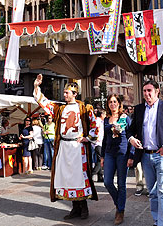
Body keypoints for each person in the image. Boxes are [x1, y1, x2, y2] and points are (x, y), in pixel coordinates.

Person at [34, 74, 98, 220]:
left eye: (67, 93)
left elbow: (94, 124)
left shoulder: (84, 108)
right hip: (63, 146)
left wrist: (87, 138)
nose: (64, 95)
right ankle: (74, 208)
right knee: (67, 178)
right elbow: (44, 103)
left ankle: (83, 207)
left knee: (79, 177)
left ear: (75, 94)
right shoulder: (59, 108)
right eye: (64, 92)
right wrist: (37, 87)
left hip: (78, 147)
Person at [127, 80, 163, 226]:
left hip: (162, 156)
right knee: (152, 192)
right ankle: (157, 221)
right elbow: (130, 129)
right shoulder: (139, 109)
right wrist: (132, 138)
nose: (147, 94)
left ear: (157, 91)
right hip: (146, 156)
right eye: (144, 91)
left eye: (149, 90)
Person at [101, 94, 132, 225]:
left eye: (115, 102)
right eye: (110, 102)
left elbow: (131, 136)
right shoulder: (106, 119)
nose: (112, 104)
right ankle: (119, 203)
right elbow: (104, 139)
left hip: (122, 153)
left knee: (121, 184)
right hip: (109, 153)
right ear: (108, 105)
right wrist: (102, 156)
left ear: (119, 104)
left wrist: (131, 156)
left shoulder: (125, 118)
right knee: (107, 182)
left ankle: (120, 211)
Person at [93, 109, 105, 182]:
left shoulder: (101, 121)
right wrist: (96, 138)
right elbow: (95, 130)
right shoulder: (97, 121)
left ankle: (100, 177)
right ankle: (91, 174)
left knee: (99, 159)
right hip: (98, 143)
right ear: (101, 115)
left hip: (101, 142)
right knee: (100, 160)